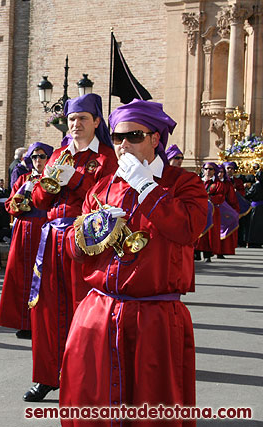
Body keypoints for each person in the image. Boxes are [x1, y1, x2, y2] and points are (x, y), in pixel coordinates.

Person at [59, 99, 207, 425]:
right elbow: (72, 246)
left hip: (154, 318)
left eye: (134, 135)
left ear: (156, 139)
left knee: (153, 408)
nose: (123, 145)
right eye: (116, 137)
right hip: (99, 313)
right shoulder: (103, 186)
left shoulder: (184, 185)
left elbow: (187, 229)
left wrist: (146, 187)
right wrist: (88, 233)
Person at [24, 93, 118, 402]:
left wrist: (74, 180)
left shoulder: (106, 157)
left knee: (83, 308)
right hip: (51, 237)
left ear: (96, 122)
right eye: (71, 120)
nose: (75, 125)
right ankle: (47, 376)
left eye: (82, 119)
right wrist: (46, 184)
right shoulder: (57, 155)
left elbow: (106, 198)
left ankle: (85, 377)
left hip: (84, 241)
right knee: (48, 309)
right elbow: (39, 201)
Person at [0, 142, 52, 340]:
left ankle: (43, 321)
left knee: (44, 276)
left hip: (45, 230)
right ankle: (24, 322)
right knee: (21, 275)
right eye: (34, 157)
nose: (38, 160)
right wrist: (20, 201)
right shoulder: (23, 179)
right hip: (23, 231)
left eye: (42, 156)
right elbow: (10, 207)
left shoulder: (55, 180)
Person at [195, 162, 224, 262]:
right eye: (206, 169)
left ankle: (207, 254)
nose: (208, 171)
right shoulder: (197, 182)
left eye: (210, 169)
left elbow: (221, 197)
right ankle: (196, 253)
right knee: (196, 231)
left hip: (212, 212)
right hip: (198, 210)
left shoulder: (218, 184)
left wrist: (209, 198)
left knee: (209, 233)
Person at [245, 171, 263, 247]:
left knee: (254, 225)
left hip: (256, 207)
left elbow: (249, 195)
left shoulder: (256, 186)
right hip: (261, 206)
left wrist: (246, 189)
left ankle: (254, 242)